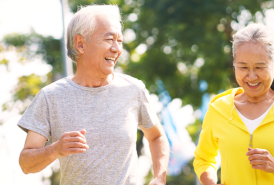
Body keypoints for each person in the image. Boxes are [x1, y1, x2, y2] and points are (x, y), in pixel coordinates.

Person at [18, 5, 169, 185]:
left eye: (119, 41)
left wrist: (160, 177)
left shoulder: (133, 89)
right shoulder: (50, 96)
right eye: (109, 39)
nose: (117, 49)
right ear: (80, 44)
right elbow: (26, 164)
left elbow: (157, 136)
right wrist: (55, 149)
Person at [193, 23, 274, 185]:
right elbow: (204, 158)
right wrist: (210, 182)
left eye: (259, 67)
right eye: (243, 67)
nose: (251, 76)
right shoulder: (218, 108)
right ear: (234, 65)